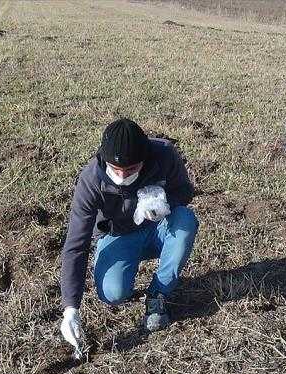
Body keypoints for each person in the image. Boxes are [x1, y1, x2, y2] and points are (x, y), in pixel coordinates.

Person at [58, 118, 198, 356]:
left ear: (143, 159)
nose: (122, 176)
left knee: (185, 220)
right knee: (113, 294)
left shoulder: (164, 154)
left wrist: (164, 204)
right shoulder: (91, 180)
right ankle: (120, 271)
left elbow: (185, 190)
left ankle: (158, 295)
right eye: (116, 169)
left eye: (131, 169)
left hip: (160, 227)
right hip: (119, 235)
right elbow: (75, 245)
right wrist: (70, 307)